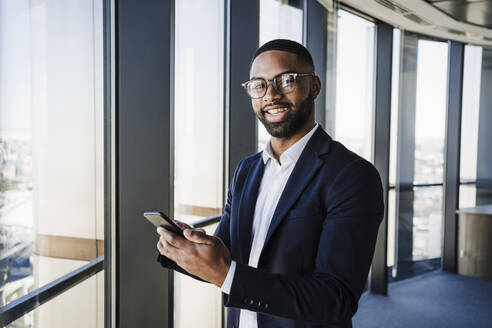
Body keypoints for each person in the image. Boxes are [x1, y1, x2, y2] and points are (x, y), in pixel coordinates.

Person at [156, 39, 384, 328]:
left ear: (314, 86)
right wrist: (182, 249)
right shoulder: (247, 170)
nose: (271, 95)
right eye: (258, 85)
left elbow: (335, 299)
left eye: (285, 80)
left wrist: (226, 274)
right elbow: (226, 256)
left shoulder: (352, 175)